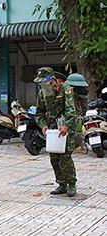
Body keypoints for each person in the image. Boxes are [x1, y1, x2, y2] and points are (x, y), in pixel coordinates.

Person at [34, 67, 77, 197]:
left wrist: (66, 125)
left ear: (52, 80)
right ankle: (61, 184)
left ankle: (71, 184)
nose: (43, 85)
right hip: (52, 130)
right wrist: (43, 125)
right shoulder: (42, 93)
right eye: (41, 83)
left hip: (66, 129)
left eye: (45, 82)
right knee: (54, 158)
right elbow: (39, 113)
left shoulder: (66, 89)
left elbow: (71, 111)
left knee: (65, 157)